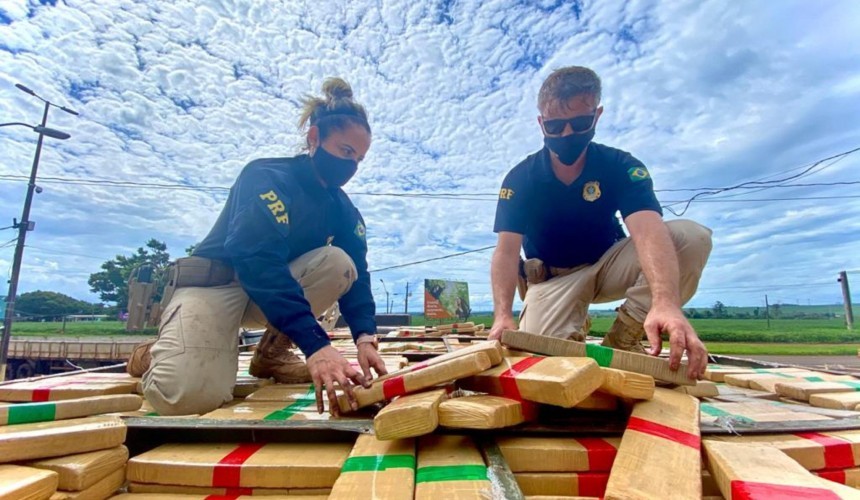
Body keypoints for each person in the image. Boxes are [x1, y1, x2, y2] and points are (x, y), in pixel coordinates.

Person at [131, 78, 388, 415]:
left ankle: (271, 354)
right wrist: (316, 346)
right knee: (185, 398)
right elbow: (257, 260)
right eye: (345, 152)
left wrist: (365, 337)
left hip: (267, 298)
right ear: (314, 139)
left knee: (340, 263)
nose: (351, 166)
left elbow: (359, 273)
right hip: (217, 287)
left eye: (359, 159)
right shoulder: (266, 177)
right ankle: (158, 352)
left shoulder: (342, 209)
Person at [488, 66, 713, 379]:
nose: (567, 134)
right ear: (541, 124)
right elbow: (506, 252)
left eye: (579, 123)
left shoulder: (620, 166)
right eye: (555, 126)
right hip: (552, 280)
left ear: (597, 116)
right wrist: (502, 316)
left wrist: (666, 303)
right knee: (543, 366)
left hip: (608, 266)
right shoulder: (521, 178)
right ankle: (571, 322)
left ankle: (624, 337)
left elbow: (648, 230)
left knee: (691, 237)